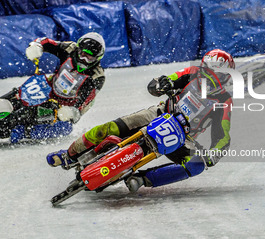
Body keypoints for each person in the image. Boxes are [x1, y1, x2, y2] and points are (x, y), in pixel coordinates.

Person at [47, 49, 234, 193]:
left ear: (226, 77)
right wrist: (162, 84)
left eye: (215, 75)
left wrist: (213, 154)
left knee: (196, 164)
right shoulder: (191, 72)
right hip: (159, 114)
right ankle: (69, 155)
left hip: (182, 137)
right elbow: (161, 82)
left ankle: (142, 179)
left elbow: (223, 136)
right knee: (109, 128)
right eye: (207, 72)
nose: (208, 79)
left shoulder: (224, 102)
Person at [0, 32, 106, 142]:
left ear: (97, 58)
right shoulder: (70, 48)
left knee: (64, 128)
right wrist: (36, 46)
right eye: (82, 53)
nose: (83, 59)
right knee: (19, 95)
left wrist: (72, 111)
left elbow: (85, 102)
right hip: (49, 87)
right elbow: (46, 42)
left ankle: (22, 131)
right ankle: (7, 100)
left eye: (89, 57)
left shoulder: (97, 77)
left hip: (64, 106)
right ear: (78, 49)